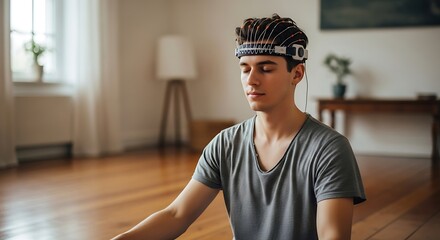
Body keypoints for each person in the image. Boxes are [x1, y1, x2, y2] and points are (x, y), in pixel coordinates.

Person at [112, 13, 366, 240]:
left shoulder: (330, 149)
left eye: (265, 69)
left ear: (297, 74)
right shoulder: (225, 144)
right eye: (245, 69)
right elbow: (177, 215)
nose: (251, 80)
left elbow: (333, 235)